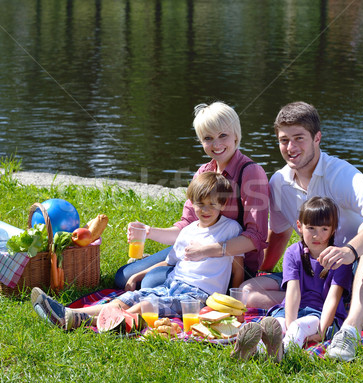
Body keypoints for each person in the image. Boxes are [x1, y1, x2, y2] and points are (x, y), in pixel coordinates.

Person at [240, 101, 363, 361]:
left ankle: (349, 330)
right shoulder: (280, 181)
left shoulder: (339, 173)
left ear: (317, 138)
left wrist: (351, 250)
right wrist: (262, 270)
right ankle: (307, 314)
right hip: (319, 275)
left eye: (299, 138)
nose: (291, 148)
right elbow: (281, 233)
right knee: (248, 291)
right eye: (284, 140)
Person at [31, 172, 244, 329]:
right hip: (172, 285)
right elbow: (170, 263)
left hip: (197, 295)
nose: (205, 210)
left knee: (145, 305)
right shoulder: (187, 231)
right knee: (126, 299)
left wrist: (232, 305)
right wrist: (138, 274)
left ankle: (90, 323)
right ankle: (70, 313)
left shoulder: (230, 229)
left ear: (223, 204)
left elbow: (238, 270)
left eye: (211, 204)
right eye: (199, 204)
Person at [114, 101, 269, 291]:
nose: (216, 144)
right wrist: (149, 231)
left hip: (230, 265)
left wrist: (207, 250)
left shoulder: (251, 173)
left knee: (149, 282)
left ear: (236, 135)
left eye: (223, 135)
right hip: (194, 251)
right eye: (208, 138)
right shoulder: (203, 172)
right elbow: (186, 227)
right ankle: (163, 267)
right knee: (122, 277)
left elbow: (255, 237)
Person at [232, 197, 352, 362]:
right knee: (274, 324)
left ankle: (285, 354)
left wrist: (322, 332)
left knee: (298, 327)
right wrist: (288, 323)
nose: (317, 235)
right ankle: (254, 350)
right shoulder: (293, 252)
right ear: (299, 226)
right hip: (291, 309)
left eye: (324, 229)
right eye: (311, 228)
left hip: (319, 314)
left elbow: (333, 297)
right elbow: (293, 291)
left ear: (333, 230)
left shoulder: (339, 259)